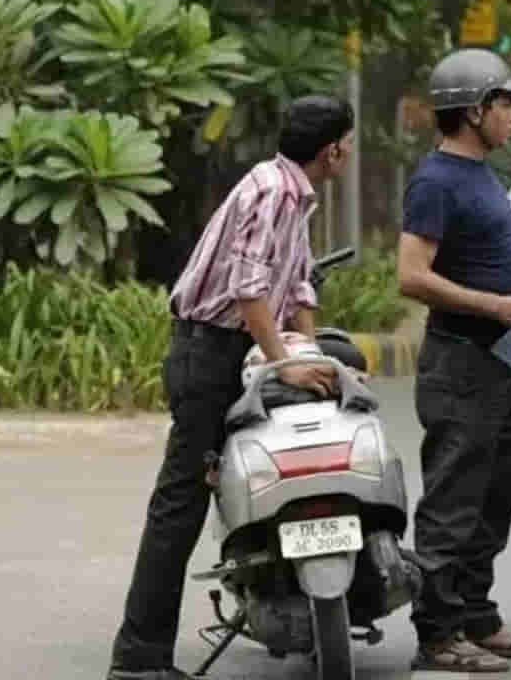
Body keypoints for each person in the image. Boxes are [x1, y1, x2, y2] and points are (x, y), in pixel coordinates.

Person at [106, 96, 355, 680]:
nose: (348, 151)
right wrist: (284, 366)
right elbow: (249, 290)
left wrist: (311, 357)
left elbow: (297, 287)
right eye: (347, 142)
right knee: (181, 503)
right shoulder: (272, 191)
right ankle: (137, 659)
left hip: (231, 351)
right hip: (209, 354)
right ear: (332, 150)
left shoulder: (293, 193)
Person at [397, 47, 511, 673]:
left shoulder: (481, 173)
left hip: (499, 365)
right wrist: (497, 306)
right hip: (460, 364)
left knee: (493, 500)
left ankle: (476, 616)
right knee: (453, 504)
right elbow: (411, 276)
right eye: (505, 103)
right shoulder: (435, 181)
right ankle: (437, 633)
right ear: (473, 110)